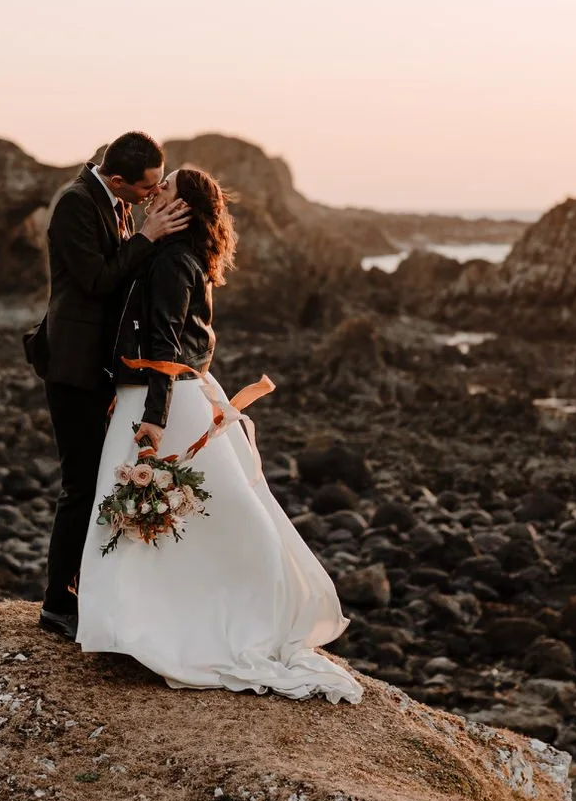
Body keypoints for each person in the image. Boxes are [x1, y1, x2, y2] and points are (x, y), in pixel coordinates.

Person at [75, 166, 363, 703]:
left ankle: (154, 624)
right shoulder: (185, 255)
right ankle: (147, 621)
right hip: (182, 390)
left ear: (183, 207)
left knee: (172, 509)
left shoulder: (170, 260)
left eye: (166, 187)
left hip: (161, 397)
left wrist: (154, 419)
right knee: (188, 512)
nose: (156, 192)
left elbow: (164, 347)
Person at [34, 131, 190, 641]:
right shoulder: (74, 205)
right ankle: (57, 604)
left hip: (104, 369)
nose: (153, 194)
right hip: (74, 368)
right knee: (80, 486)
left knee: (101, 482)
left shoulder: (119, 202)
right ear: (118, 179)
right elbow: (99, 281)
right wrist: (148, 237)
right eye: (146, 187)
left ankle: (89, 590)